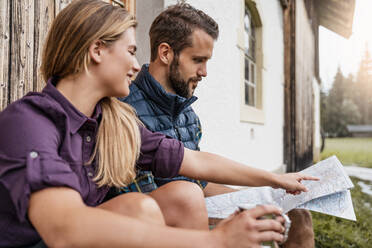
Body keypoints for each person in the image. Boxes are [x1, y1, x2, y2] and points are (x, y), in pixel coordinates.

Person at [0, 1, 316, 247]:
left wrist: (274, 180)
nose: (137, 65)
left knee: (178, 195)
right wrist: (212, 241)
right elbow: (63, 230)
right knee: (141, 207)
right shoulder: (28, 122)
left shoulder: (111, 123)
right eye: (130, 52)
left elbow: (195, 161)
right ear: (97, 50)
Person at [121, 3, 317, 246]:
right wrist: (228, 223)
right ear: (165, 53)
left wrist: (265, 200)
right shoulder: (125, 109)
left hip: (191, 204)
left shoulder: (187, 114)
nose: (204, 72)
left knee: (295, 215)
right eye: (197, 60)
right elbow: (148, 202)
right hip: (156, 220)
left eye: (207, 61)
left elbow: (199, 182)